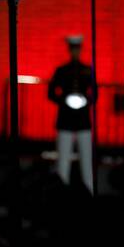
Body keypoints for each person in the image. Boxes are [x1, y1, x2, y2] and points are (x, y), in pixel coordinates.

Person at [48, 35, 97, 194]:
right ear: (70, 49)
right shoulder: (61, 70)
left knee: (86, 161)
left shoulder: (87, 70)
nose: (75, 51)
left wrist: (85, 101)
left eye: (77, 48)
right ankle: (62, 195)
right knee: (63, 161)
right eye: (73, 48)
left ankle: (89, 195)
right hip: (65, 119)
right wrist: (64, 100)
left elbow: (95, 93)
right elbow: (51, 92)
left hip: (83, 119)